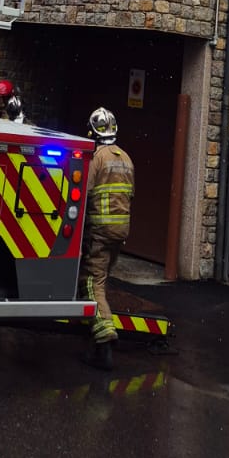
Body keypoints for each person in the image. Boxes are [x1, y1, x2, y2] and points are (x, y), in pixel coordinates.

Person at [79, 107, 135, 368]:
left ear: (92, 131)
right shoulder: (125, 158)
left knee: (92, 284)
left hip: (99, 232)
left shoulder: (96, 158)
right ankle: (96, 340)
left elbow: (84, 193)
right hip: (120, 231)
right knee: (103, 281)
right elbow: (130, 195)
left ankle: (105, 336)